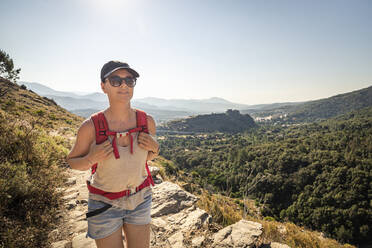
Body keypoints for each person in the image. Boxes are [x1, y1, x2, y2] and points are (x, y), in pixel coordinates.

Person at [66, 61, 160, 248]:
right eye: (116, 80)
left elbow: (146, 157)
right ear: (103, 86)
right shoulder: (90, 126)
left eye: (129, 80)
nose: (124, 85)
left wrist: (156, 148)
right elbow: (72, 162)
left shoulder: (146, 121)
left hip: (140, 198)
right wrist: (90, 158)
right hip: (104, 204)